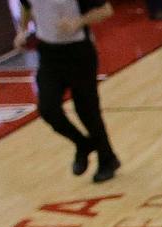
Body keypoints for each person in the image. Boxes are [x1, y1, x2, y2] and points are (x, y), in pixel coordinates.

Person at [17, 0, 118, 183]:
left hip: (78, 52)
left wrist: (78, 22)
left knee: (87, 111)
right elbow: (27, 6)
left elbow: (105, 10)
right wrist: (22, 30)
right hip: (48, 54)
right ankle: (82, 143)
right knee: (47, 108)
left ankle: (108, 159)